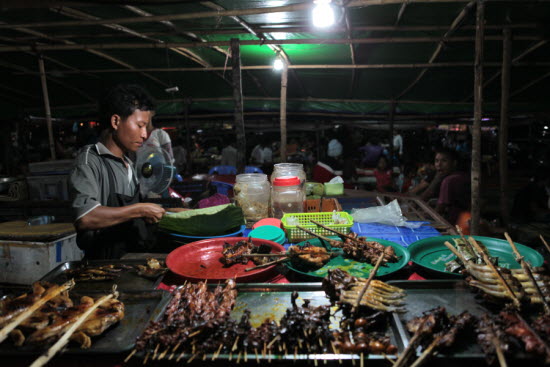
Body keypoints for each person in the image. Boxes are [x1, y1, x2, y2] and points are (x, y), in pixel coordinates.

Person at [69, 84, 166, 259]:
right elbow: (85, 217)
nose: (145, 135)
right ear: (115, 122)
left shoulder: (128, 162)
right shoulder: (89, 161)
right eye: (140, 125)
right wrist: (140, 209)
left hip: (130, 259)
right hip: (102, 266)